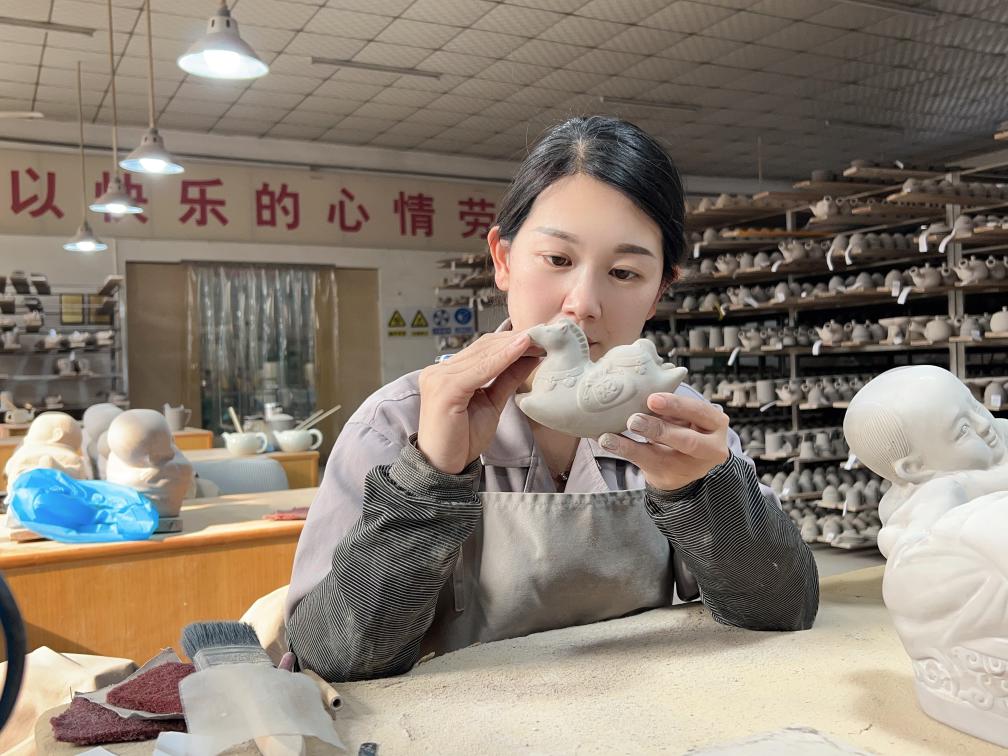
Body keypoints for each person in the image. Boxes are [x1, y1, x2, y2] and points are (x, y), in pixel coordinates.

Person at [286, 116, 819, 684]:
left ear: (659, 291)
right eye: (558, 260)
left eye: (624, 272)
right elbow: (330, 659)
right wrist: (430, 477)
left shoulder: (680, 424)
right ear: (503, 259)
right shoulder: (396, 423)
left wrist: (707, 494)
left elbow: (782, 612)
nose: (583, 303)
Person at [843, 364, 1008, 558]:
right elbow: (913, 552)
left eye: (975, 405)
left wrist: (971, 484)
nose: (984, 424)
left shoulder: (1002, 433)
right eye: (963, 429)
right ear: (914, 468)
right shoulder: (936, 499)